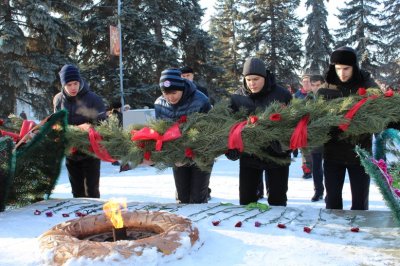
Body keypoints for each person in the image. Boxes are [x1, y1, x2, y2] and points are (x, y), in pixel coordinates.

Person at [317, 46, 377, 210]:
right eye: (338, 69)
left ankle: (359, 234)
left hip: (360, 154)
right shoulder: (325, 89)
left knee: (360, 201)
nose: (342, 73)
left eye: (346, 68)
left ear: (354, 67)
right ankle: (334, 233)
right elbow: (315, 117)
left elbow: (379, 115)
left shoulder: (368, 87)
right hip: (332, 153)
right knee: (333, 200)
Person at [226, 57, 292, 206]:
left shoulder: (282, 95)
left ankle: (277, 227)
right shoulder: (237, 97)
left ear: (264, 77)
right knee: (246, 200)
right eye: (248, 79)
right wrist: (231, 148)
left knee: (277, 200)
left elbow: (293, 125)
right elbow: (229, 126)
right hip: (249, 156)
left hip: (276, 156)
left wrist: (283, 146)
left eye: (256, 79)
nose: (252, 83)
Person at [154, 68, 213, 204]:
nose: (170, 97)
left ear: (181, 88)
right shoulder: (159, 104)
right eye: (166, 93)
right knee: (182, 196)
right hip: (178, 156)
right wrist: (172, 158)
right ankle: (182, 224)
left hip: (201, 155)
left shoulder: (200, 100)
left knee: (198, 196)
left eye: (174, 92)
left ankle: (199, 223)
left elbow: (211, 131)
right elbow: (161, 134)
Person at [53, 64, 107, 198]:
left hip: (90, 151)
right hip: (71, 153)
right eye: (69, 84)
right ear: (63, 85)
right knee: (77, 192)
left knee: (92, 192)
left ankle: (94, 217)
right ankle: (79, 218)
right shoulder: (58, 99)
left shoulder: (93, 99)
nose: (73, 88)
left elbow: (103, 124)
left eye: (75, 83)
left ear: (80, 81)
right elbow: (57, 123)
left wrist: (88, 128)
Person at [308, 74, 326, 202]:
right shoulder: (308, 99)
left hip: (329, 138)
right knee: (316, 167)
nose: (316, 88)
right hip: (315, 139)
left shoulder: (330, 96)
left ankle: (330, 192)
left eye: (318, 85)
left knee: (330, 168)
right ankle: (318, 191)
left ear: (324, 84)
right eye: (313, 85)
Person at [294, 74, 313, 179]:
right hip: (302, 126)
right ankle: (307, 171)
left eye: (308, 81)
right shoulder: (297, 95)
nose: (306, 83)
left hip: (314, 124)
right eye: (304, 81)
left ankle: (316, 168)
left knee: (314, 151)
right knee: (305, 151)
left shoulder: (315, 94)